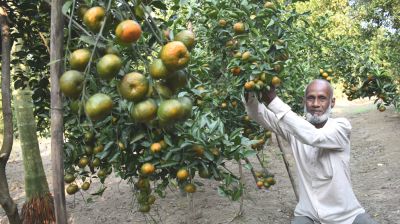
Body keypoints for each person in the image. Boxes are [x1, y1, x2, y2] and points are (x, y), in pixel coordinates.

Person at [243, 79, 377, 224]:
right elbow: (259, 114)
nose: (315, 104)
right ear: (304, 102)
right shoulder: (295, 129)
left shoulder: (341, 127)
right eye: (310, 98)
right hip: (309, 213)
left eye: (322, 98)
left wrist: (273, 100)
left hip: (347, 216)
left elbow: (314, 137)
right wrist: (249, 92)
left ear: (332, 102)